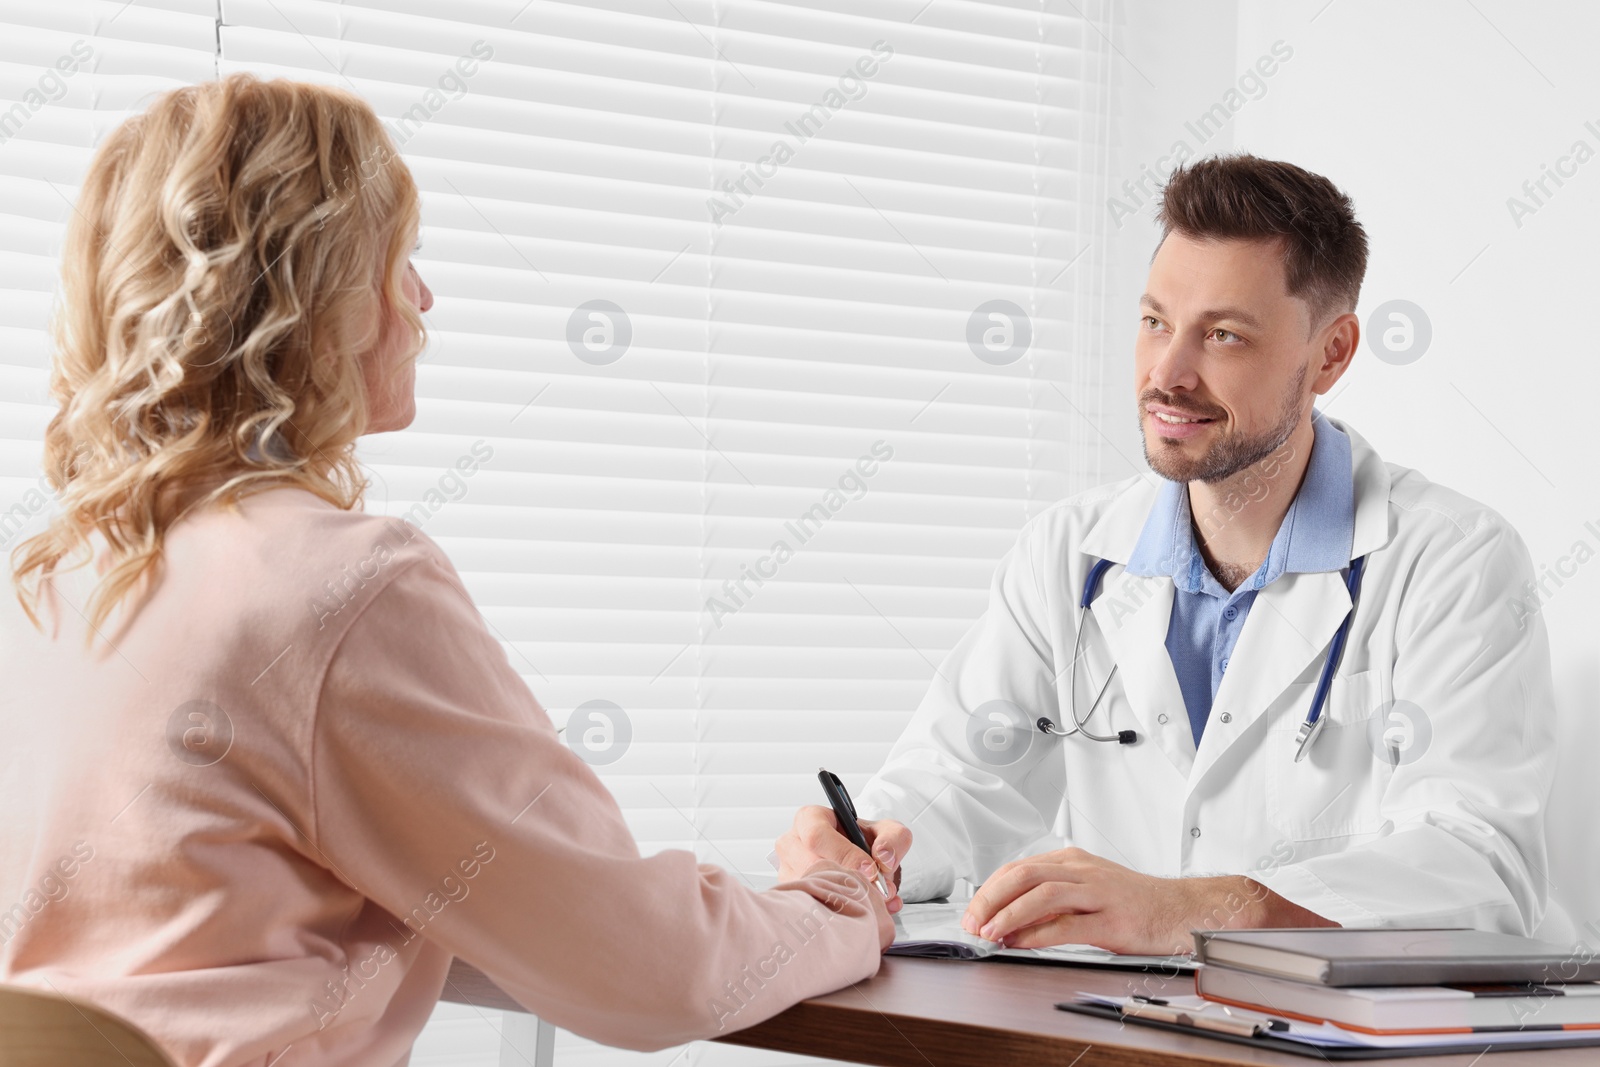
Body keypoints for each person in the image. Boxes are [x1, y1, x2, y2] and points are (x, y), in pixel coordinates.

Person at [0, 74, 890, 1067]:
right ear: (310, 290)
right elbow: (655, 972)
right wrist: (839, 897)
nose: (423, 297)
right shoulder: (337, 586)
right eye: (400, 258)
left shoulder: (46, 582)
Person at [776, 154, 1557, 955]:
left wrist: (1193, 909)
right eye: (1155, 322)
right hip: (1117, 1025)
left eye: (1222, 335)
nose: (1168, 374)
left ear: (1332, 354)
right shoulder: (1069, 553)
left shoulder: (1454, 563)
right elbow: (964, 774)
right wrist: (873, 840)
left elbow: (1480, 864)